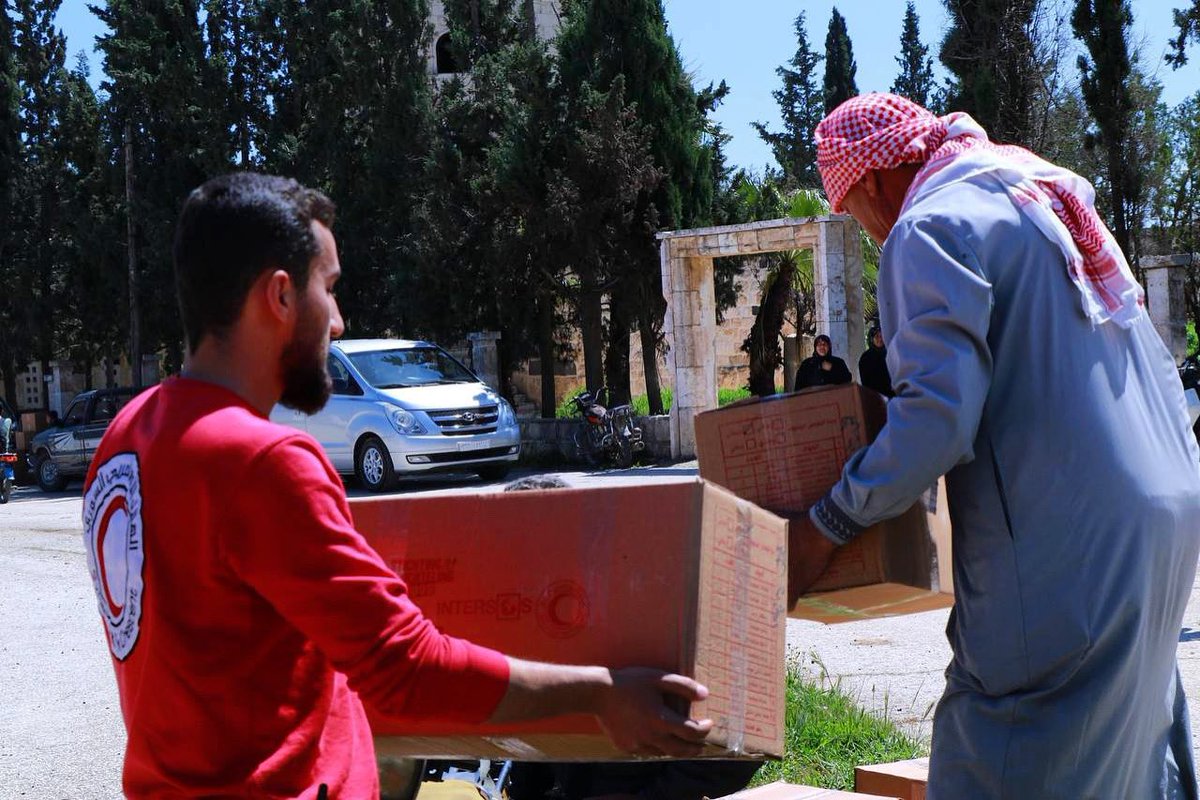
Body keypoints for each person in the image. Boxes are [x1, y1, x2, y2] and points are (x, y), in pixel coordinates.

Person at [81, 173, 712, 799]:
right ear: (279, 296)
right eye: (327, 290)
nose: (337, 322)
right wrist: (603, 693)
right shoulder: (262, 463)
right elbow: (406, 669)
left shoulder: (124, 442)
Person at [790, 92, 1200, 799]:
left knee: (1002, 745)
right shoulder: (1036, 195)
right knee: (1128, 748)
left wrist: (828, 521)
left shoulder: (928, 225)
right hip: (1166, 522)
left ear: (876, 179)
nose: (867, 234)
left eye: (853, 211)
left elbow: (937, 419)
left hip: (1073, 550)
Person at [857, 325, 893, 398]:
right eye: (877, 336)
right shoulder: (866, 357)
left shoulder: (891, 352)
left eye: (882, 336)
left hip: (893, 394)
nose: (880, 339)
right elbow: (865, 380)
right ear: (871, 339)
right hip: (875, 396)